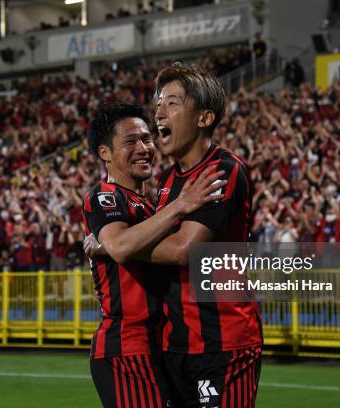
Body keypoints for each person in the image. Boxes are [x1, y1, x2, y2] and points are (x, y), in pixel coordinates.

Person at [87, 63, 262, 407]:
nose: (159, 112)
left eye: (172, 103)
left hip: (222, 342)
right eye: (158, 103)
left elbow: (184, 250)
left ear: (204, 118)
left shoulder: (222, 170)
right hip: (174, 344)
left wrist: (115, 246)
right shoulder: (168, 185)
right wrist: (121, 242)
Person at [83, 101, 225, 408]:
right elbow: (121, 246)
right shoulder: (105, 195)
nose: (144, 147)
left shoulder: (150, 208)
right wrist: (180, 205)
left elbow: (168, 250)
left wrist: (110, 244)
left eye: (147, 138)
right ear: (105, 153)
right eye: (130, 141)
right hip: (125, 347)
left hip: (158, 345)